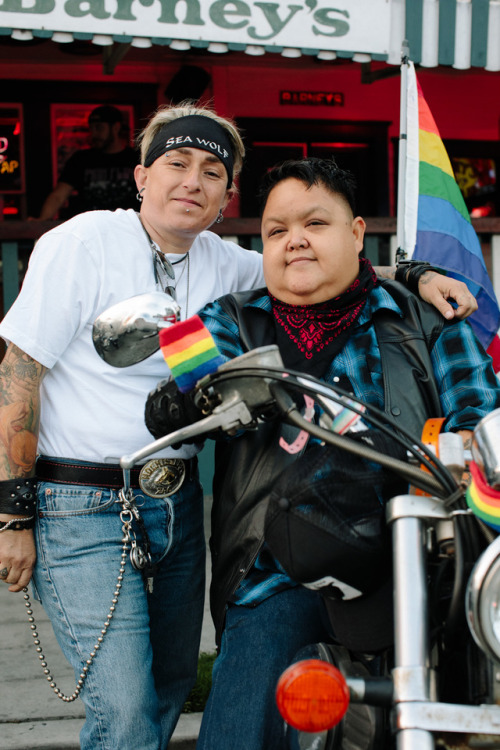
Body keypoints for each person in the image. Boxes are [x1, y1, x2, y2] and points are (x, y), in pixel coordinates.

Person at [0, 100, 478, 750]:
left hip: (367, 552)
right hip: (130, 517)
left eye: (211, 170)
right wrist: (13, 514)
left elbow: (330, 271)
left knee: (174, 686)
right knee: (147, 711)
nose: (191, 181)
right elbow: (51, 376)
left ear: (227, 194)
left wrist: (418, 276)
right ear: (141, 175)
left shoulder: (248, 270)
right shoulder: (121, 260)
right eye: (176, 163)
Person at [156, 157, 500, 750]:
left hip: (411, 569)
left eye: (314, 223)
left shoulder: (426, 318)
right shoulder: (236, 321)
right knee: (236, 735)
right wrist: (185, 400)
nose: (294, 242)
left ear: (358, 233)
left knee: (439, 726)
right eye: (276, 230)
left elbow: (477, 418)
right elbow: (181, 394)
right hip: (274, 572)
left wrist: (460, 455)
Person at [37, 105, 139, 219]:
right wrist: (40, 224)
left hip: (128, 229)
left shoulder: (136, 159)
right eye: (91, 128)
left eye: (99, 128)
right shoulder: (81, 159)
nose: (94, 134)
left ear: (116, 127)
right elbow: (58, 196)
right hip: (91, 229)